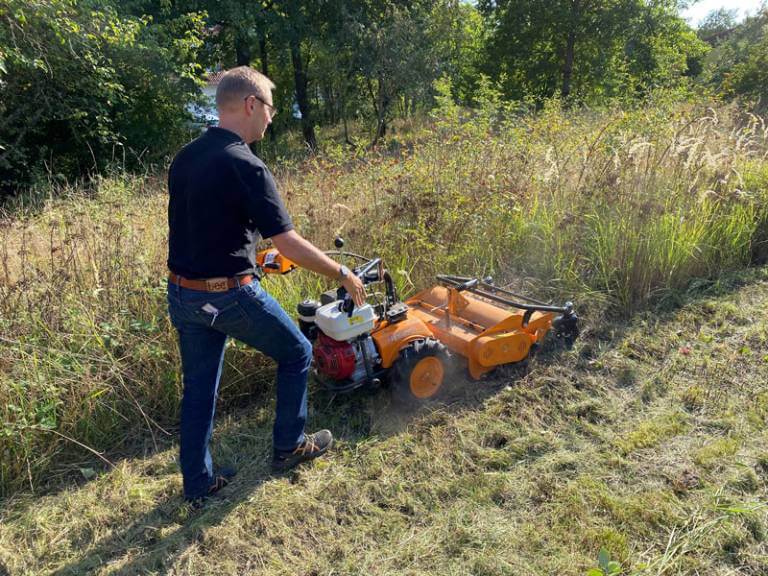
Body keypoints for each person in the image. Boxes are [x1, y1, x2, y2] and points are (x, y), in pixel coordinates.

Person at [166, 66, 366, 504]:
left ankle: (198, 485)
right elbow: (289, 242)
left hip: (182, 294)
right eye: (270, 109)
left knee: (199, 389)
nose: (272, 119)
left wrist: (255, 257)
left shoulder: (186, 157)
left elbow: (203, 228)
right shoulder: (245, 164)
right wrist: (342, 274)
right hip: (227, 295)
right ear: (251, 105)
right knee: (297, 351)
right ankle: (289, 446)